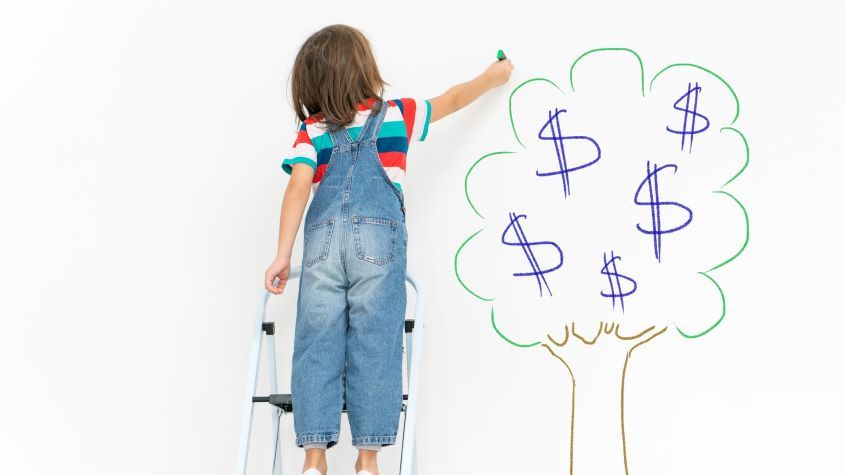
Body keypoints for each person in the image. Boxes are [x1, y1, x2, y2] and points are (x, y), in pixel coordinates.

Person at [264, 24, 512, 475]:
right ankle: (367, 460)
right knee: (376, 342)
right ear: (363, 70)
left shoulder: (312, 129)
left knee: (315, 343)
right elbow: (453, 98)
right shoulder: (397, 114)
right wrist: (491, 77)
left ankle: (314, 459)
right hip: (379, 244)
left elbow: (299, 185)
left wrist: (283, 254)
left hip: (321, 243)